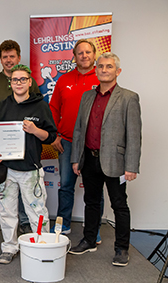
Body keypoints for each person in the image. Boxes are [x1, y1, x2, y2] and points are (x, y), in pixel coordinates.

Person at [69, 52, 142, 267]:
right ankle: (89, 240)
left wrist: (131, 166)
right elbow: (79, 130)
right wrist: (76, 159)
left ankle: (121, 248)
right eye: (100, 66)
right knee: (91, 202)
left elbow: (134, 135)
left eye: (109, 67)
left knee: (119, 205)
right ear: (96, 70)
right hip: (90, 159)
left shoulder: (129, 97)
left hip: (116, 162)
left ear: (117, 71)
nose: (104, 70)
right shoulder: (87, 97)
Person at [0, 64, 57, 264]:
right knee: (6, 212)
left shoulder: (40, 106)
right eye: (15, 79)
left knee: (37, 212)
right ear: (10, 83)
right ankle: (9, 247)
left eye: (23, 79)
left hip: (31, 170)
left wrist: (35, 130)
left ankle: (40, 247)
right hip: (6, 169)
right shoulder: (0, 107)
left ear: (29, 82)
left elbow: (51, 136)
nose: (19, 83)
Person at [0, 40, 40, 236]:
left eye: (11, 56)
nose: (8, 60)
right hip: (0, 146)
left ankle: (24, 221)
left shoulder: (31, 82)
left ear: (18, 57)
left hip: (26, 147)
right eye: (4, 57)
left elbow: (38, 109)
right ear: (0, 59)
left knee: (23, 185)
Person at [49, 39, 104, 243]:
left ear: (94, 54)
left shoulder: (101, 79)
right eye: (80, 53)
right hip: (67, 141)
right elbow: (53, 108)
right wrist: (55, 135)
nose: (84, 56)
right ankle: (63, 224)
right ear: (74, 56)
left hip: (93, 145)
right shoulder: (64, 80)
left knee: (94, 189)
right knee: (66, 186)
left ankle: (94, 229)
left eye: (88, 52)